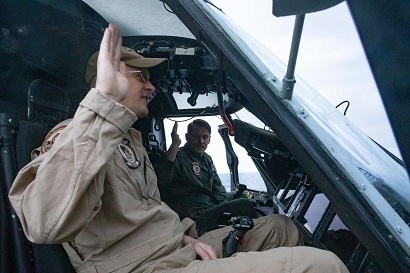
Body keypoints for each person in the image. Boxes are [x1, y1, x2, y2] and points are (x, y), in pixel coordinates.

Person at [9, 24, 349, 273]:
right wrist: (102, 103)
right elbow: (43, 223)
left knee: (280, 227)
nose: (151, 86)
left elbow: (145, 215)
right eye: (141, 77)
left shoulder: (129, 140)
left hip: (174, 249)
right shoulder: (75, 137)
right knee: (322, 266)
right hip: (145, 268)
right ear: (108, 82)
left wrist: (184, 239)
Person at [154, 119, 257, 235]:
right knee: (244, 204)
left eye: (205, 137)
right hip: (195, 215)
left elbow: (217, 186)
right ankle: (257, 234)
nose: (201, 141)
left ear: (209, 139)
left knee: (243, 194)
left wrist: (222, 204)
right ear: (187, 137)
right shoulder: (178, 157)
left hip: (209, 206)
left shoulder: (207, 159)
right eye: (195, 137)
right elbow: (161, 180)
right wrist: (174, 144)